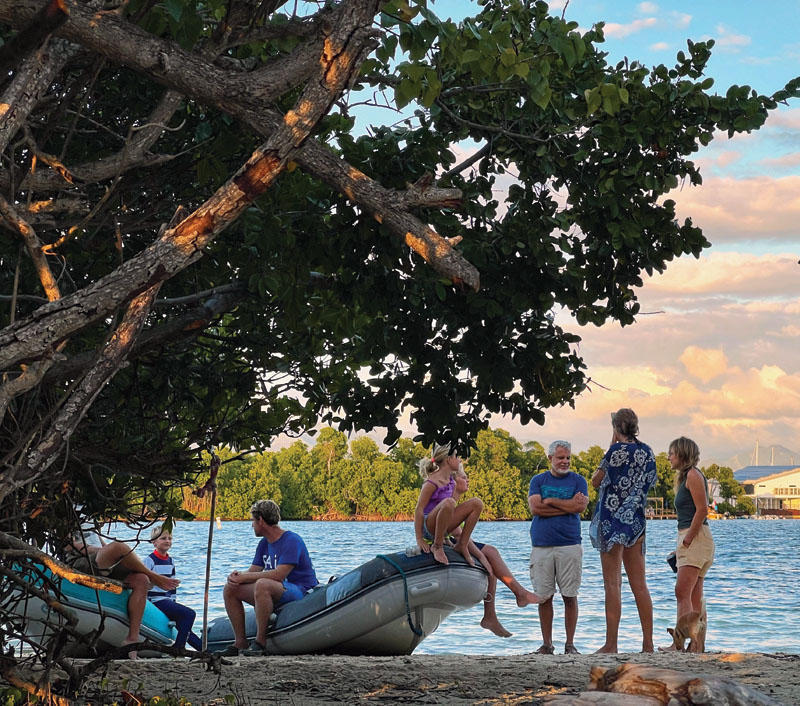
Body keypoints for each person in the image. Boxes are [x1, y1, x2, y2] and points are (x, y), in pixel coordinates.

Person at [590, 408, 658, 654]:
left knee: (613, 584)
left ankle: (611, 644)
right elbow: (651, 481)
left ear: (616, 427)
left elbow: (596, 480)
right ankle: (648, 643)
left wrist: (612, 443)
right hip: (636, 522)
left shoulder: (615, 451)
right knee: (640, 585)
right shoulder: (647, 451)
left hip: (612, 521)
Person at [450, 466, 542, 637]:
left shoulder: (457, 503)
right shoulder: (449, 501)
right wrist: (479, 555)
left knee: (491, 554)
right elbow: (456, 535)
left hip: (458, 541)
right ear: (453, 481)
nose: (467, 479)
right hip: (450, 543)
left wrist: (481, 555)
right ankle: (513, 597)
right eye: (464, 477)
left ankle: (493, 613)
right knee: (490, 554)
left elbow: (461, 535)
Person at [64, 527, 181, 659]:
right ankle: (154, 576)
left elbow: (100, 543)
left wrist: (107, 551)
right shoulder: (68, 514)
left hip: (99, 560)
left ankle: (132, 638)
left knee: (141, 580)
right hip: (80, 562)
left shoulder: (92, 521)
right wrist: (106, 551)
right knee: (118, 548)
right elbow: (68, 546)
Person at [222, 499, 318, 656]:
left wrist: (246, 577)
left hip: (301, 590)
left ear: (260, 520)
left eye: (253, 520)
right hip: (279, 589)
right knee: (230, 589)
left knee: (262, 584)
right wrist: (238, 576)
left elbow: (279, 575)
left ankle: (260, 642)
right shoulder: (264, 544)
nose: (251, 525)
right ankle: (240, 642)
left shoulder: (291, 540)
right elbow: (253, 571)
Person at [528, 440, 589, 655]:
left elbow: (580, 507)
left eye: (568, 458)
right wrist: (567, 507)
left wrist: (551, 500)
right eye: (560, 457)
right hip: (542, 546)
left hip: (570, 544)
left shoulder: (579, 481)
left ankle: (570, 645)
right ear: (550, 459)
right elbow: (536, 508)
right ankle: (547, 644)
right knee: (544, 597)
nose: (565, 462)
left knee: (570, 596)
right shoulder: (538, 480)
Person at [661, 436, 715, 652]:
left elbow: (702, 509)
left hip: (695, 536)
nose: (669, 457)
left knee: (682, 592)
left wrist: (688, 539)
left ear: (682, 454)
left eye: (672, 453)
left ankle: (679, 644)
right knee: (694, 596)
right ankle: (697, 644)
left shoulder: (692, 475)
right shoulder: (689, 476)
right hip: (697, 538)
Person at [414, 443, 483, 566]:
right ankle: (437, 546)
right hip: (429, 526)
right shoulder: (431, 482)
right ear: (449, 460)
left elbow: (448, 513)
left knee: (477, 503)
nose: (459, 459)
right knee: (449, 502)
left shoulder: (452, 483)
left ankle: (462, 544)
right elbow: (419, 510)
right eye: (456, 456)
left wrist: (447, 537)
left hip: (443, 527)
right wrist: (419, 539)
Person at [143, 525, 202, 651]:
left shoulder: (170, 561)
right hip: (155, 601)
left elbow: (172, 586)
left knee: (184, 627)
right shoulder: (149, 560)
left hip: (166, 600)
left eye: (170, 538)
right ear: (154, 542)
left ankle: (205, 650)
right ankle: (179, 647)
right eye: (163, 538)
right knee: (190, 614)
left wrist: (173, 601)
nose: (167, 541)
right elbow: (143, 581)